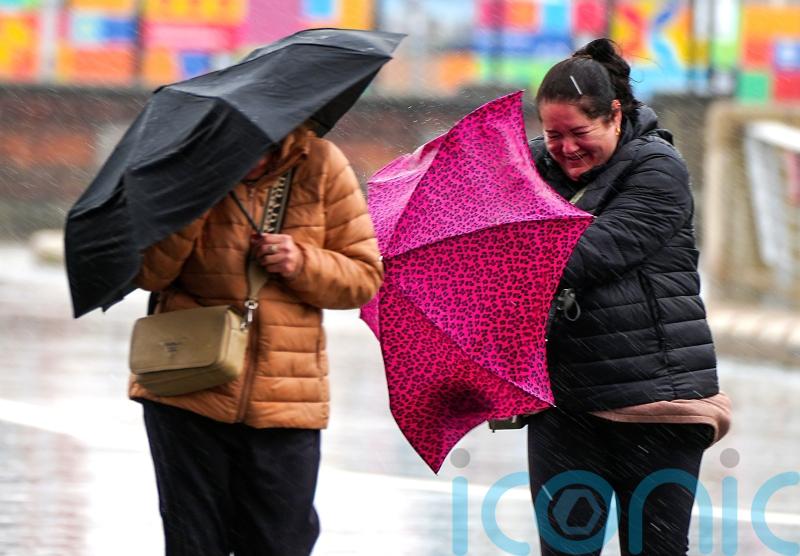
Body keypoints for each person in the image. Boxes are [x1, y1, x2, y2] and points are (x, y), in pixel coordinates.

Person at [131, 122, 383, 556]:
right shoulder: (186, 167)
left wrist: (300, 261)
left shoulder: (321, 164)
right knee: (194, 542)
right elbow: (149, 273)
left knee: (280, 542)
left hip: (287, 397)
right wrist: (194, 201)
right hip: (186, 387)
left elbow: (363, 278)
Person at [526, 38, 731, 556]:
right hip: (566, 407)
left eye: (579, 132)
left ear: (615, 115)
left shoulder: (659, 172)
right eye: (553, 135)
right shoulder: (526, 172)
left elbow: (584, 255)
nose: (566, 148)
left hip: (656, 406)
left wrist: (501, 251)